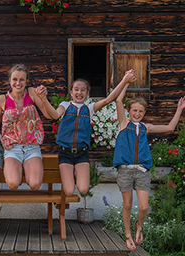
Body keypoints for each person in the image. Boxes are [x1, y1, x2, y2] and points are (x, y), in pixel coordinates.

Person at [35, 70, 137, 197]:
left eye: (83, 90)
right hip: (65, 153)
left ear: (87, 93)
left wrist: (124, 80)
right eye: (76, 89)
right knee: (69, 191)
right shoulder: (65, 106)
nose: (79, 92)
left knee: (83, 190)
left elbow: (108, 100)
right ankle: (71, 174)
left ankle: (78, 172)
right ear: (71, 93)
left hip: (82, 154)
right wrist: (44, 100)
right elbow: (55, 115)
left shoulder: (89, 109)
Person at [113, 81, 185, 251]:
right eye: (134, 110)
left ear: (144, 112)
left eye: (140, 111)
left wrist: (180, 109)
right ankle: (128, 232)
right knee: (127, 205)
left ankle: (139, 224)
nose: (137, 113)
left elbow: (170, 127)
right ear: (129, 111)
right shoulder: (124, 124)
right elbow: (118, 101)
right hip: (125, 171)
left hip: (142, 171)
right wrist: (126, 83)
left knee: (144, 206)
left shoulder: (146, 127)